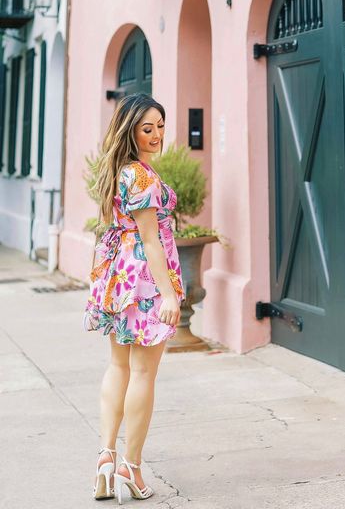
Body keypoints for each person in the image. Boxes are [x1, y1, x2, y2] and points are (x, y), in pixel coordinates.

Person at [83, 93, 184, 504]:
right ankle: (132, 466)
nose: (157, 134)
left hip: (119, 276)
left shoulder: (118, 170)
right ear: (130, 130)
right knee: (143, 374)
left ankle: (106, 457)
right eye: (148, 128)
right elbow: (150, 239)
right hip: (144, 278)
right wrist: (168, 294)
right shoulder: (140, 177)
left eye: (160, 126)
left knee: (118, 366)